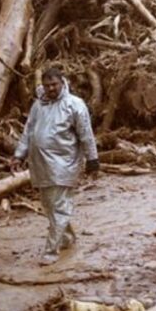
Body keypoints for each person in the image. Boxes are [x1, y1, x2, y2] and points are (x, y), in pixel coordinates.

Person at [11, 68, 99, 266]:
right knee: (50, 206)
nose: (51, 89)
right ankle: (67, 238)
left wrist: (93, 160)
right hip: (41, 165)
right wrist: (19, 155)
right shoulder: (38, 105)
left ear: (63, 83)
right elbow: (28, 131)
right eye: (47, 85)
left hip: (64, 164)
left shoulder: (74, 105)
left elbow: (86, 133)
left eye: (54, 85)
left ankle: (51, 251)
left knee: (58, 207)